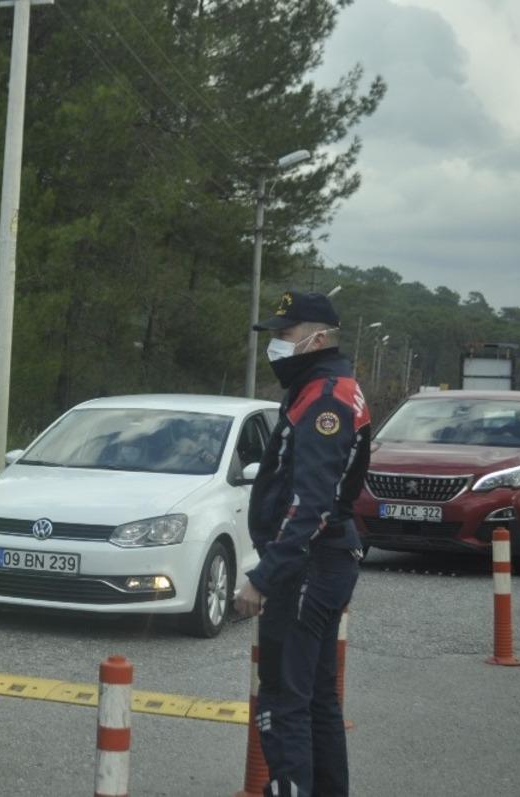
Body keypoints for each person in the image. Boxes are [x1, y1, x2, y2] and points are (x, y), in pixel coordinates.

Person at [234, 290, 371, 797]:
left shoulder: (326, 397)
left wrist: (265, 577)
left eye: (285, 333)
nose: (276, 343)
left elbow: (311, 503)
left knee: (284, 703)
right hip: (326, 559)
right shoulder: (321, 386)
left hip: (310, 565)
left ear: (317, 338)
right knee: (315, 699)